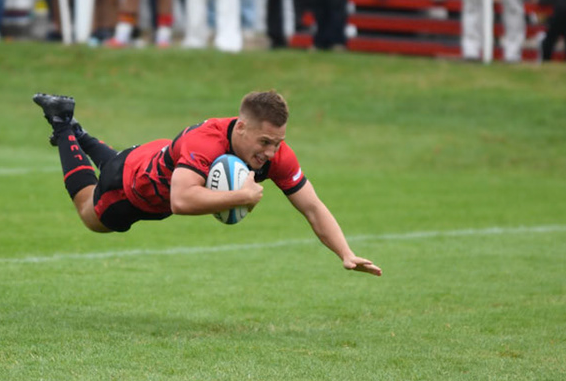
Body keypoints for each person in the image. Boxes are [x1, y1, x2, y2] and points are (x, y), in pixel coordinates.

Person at [28, 89, 381, 276]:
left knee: (113, 163)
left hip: (149, 158)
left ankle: (77, 130)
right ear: (240, 127)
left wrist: (346, 254)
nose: (272, 153)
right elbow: (181, 201)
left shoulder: (274, 153)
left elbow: (313, 207)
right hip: (133, 187)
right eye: (264, 143)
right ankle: (62, 125)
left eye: (278, 142)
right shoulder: (205, 141)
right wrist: (238, 195)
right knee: (89, 214)